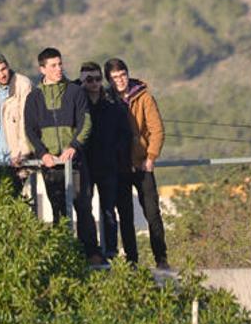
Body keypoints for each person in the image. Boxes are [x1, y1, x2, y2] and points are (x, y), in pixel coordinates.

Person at [24, 47, 102, 264]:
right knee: (58, 209)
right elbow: (29, 129)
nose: (59, 69)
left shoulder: (75, 92)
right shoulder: (34, 97)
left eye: (60, 64)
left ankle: (92, 253)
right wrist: (43, 153)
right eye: (53, 65)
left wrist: (73, 146)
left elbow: (86, 122)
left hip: (75, 162)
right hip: (50, 165)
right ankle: (65, 256)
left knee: (83, 207)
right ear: (42, 69)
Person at [104, 57, 170, 269]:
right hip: (119, 167)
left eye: (122, 75)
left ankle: (161, 258)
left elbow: (157, 129)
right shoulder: (107, 100)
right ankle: (132, 261)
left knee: (152, 213)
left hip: (142, 165)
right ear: (109, 80)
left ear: (127, 74)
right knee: (125, 217)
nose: (120, 80)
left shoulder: (144, 97)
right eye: (115, 77)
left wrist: (151, 156)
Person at [77, 62, 131, 260]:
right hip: (84, 166)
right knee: (85, 209)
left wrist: (116, 154)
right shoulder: (78, 105)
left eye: (97, 79)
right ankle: (90, 251)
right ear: (81, 81)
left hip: (108, 166)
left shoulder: (112, 104)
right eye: (89, 79)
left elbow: (124, 133)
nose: (94, 83)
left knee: (108, 211)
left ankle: (110, 252)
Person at [0, 54, 33, 189]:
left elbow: (25, 121)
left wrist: (23, 152)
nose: (1, 75)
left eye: (3, 69)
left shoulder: (23, 84)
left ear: (8, 67)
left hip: (17, 156)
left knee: (19, 196)